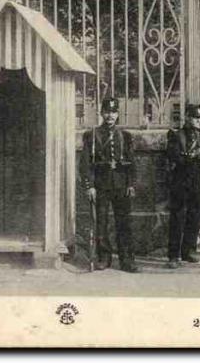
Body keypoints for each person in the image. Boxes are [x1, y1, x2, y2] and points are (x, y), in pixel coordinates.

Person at [80, 96, 139, 273]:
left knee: (124, 222)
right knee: (102, 222)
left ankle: (126, 259)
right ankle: (104, 257)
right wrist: (89, 185)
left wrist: (131, 183)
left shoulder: (125, 136)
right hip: (101, 185)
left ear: (118, 114)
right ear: (101, 113)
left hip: (121, 185)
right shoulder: (92, 135)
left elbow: (131, 161)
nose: (110, 116)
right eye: (107, 112)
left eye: (113, 112)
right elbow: (85, 163)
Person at [165, 103, 200, 269]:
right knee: (177, 217)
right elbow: (174, 157)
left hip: (197, 180)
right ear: (186, 117)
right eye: (194, 117)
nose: (197, 120)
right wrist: (193, 156)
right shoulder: (175, 135)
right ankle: (173, 255)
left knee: (196, 214)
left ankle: (189, 250)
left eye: (199, 117)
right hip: (180, 180)